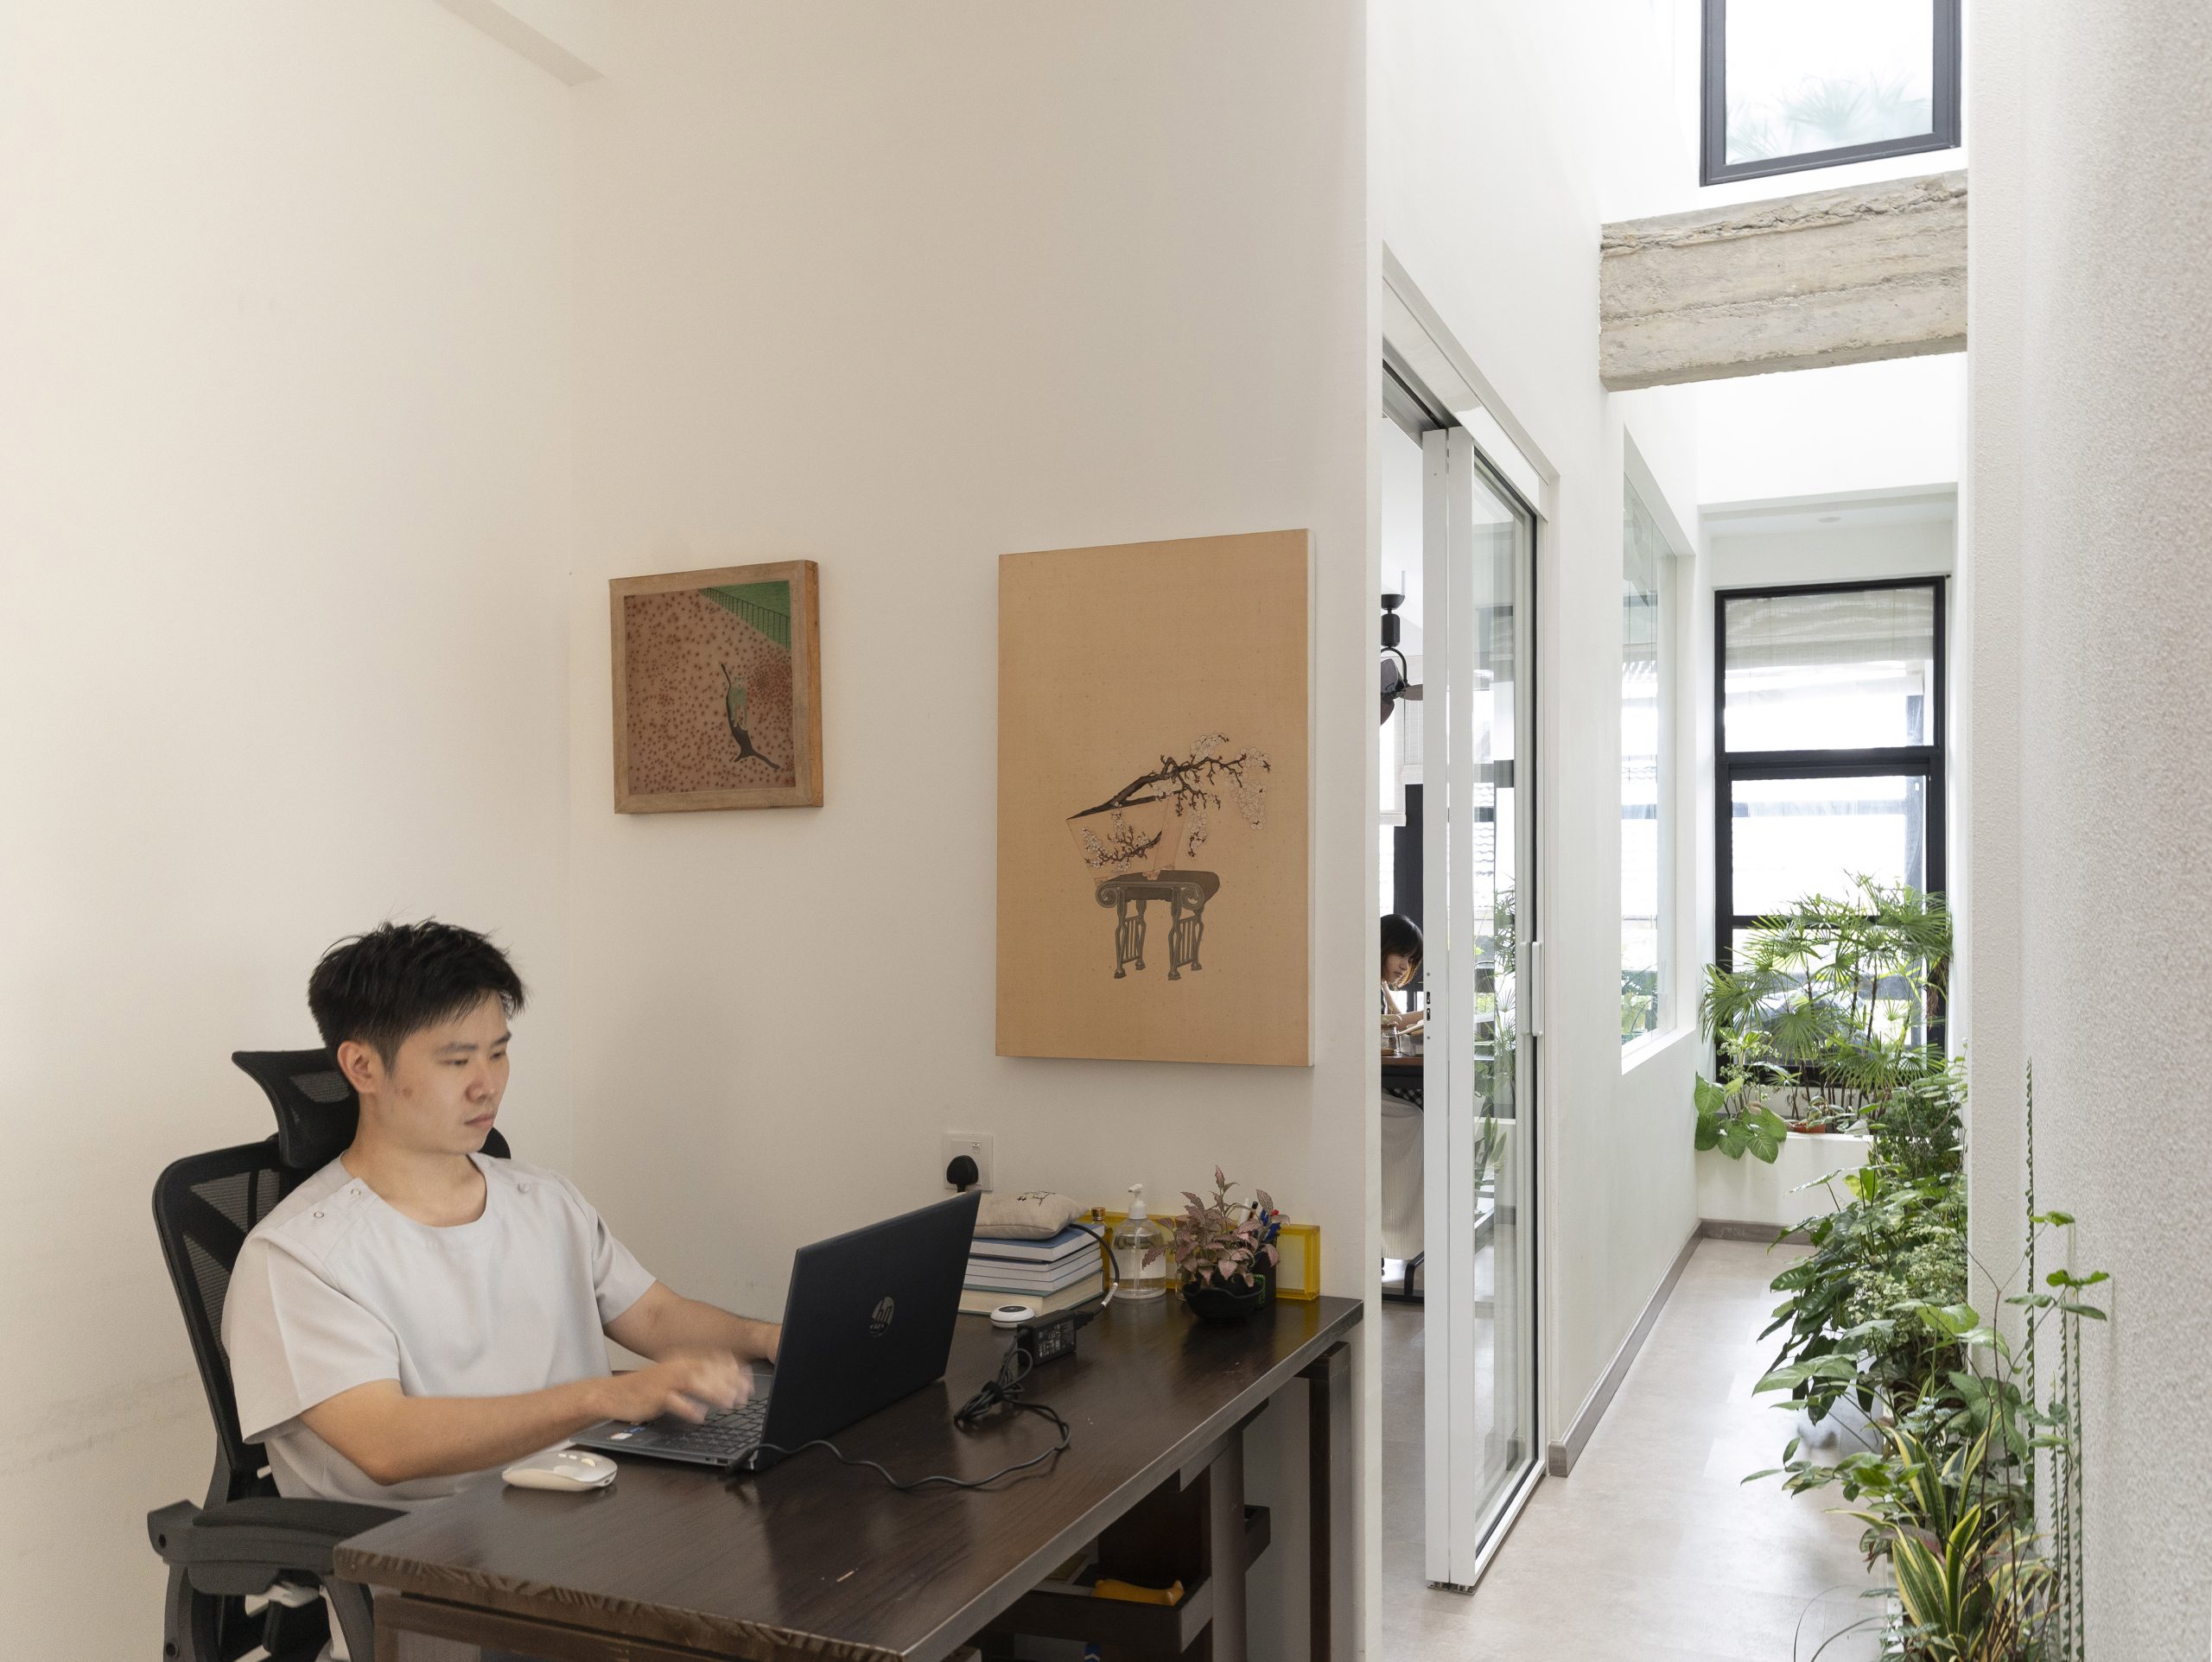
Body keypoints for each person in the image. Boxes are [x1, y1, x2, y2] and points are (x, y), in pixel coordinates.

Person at [221, 920, 781, 1513]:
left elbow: (657, 1316)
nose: (486, 1086)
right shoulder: (297, 1258)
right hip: (420, 1547)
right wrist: (607, 1396)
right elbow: (387, 1442)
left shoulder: (544, 1200)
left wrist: (767, 1339)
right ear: (363, 1068)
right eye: (457, 1061)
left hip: (588, 1504)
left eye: (498, 1052)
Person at [1379, 912, 1425, 1036]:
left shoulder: (1381, 982)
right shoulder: (1362, 983)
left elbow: (1396, 1018)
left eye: (1410, 960)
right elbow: (1386, 1023)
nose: (1405, 966)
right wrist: (1429, 1014)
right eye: (1401, 955)